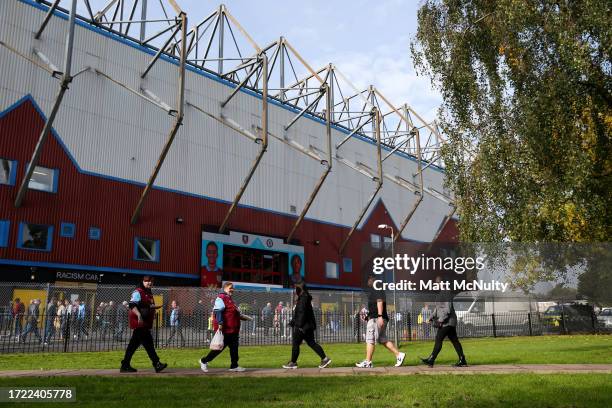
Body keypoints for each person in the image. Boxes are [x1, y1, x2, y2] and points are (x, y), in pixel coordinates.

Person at [355, 275, 405, 368]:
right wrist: (369, 316)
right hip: (375, 317)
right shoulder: (377, 287)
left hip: (376, 319)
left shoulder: (376, 285)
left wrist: (380, 316)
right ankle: (399, 355)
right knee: (382, 339)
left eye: (367, 280)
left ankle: (368, 362)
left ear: (371, 279)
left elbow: (379, 301)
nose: (367, 283)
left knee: (370, 339)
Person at [120, 276, 167, 373]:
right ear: (143, 281)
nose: (149, 283)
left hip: (144, 323)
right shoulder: (138, 292)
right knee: (148, 344)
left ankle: (125, 365)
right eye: (147, 281)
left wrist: (153, 307)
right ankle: (156, 363)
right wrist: (138, 315)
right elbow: (132, 305)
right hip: (140, 323)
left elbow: (145, 305)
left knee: (133, 346)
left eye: (151, 281)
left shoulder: (148, 292)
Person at [199, 282, 250, 372]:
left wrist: (243, 317)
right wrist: (220, 323)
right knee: (219, 348)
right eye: (230, 288)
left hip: (233, 329)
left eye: (233, 288)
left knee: (234, 348)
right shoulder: (221, 297)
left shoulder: (229, 299)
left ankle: (234, 366)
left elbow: (232, 313)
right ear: (225, 288)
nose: (232, 289)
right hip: (226, 329)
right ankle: (204, 361)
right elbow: (218, 311)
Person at [282, 281, 331, 369]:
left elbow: (302, 313)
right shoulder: (305, 298)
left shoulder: (303, 299)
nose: (294, 290)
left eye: (295, 288)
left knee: (296, 343)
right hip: (308, 326)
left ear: (299, 289)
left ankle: (293, 362)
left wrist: (299, 326)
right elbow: (301, 313)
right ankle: (325, 359)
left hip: (302, 326)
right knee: (311, 343)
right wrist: (292, 322)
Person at [420, 288, 467, 367]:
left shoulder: (446, 294)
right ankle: (462, 360)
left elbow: (448, 310)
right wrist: (430, 317)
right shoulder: (440, 295)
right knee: (455, 341)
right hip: (447, 322)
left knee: (439, 338)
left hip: (447, 322)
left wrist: (440, 320)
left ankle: (431, 359)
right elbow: (437, 309)